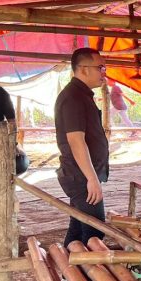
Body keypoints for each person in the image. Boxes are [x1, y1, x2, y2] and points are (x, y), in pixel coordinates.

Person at [54, 48, 109, 246]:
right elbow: (76, 141)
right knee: (95, 231)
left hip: (81, 175)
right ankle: (90, 276)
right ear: (84, 69)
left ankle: (70, 274)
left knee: (78, 229)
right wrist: (91, 178)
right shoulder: (73, 97)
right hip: (81, 177)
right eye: (101, 67)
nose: (104, 73)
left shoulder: (81, 95)